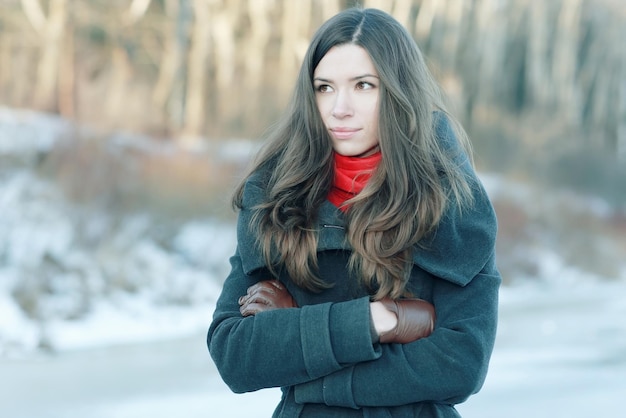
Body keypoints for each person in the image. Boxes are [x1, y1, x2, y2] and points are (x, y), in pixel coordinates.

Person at [208, 7, 500, 417]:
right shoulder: (276, 194)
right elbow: (234, 354)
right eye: (324, 87)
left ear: (399, 91)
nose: (339, 108)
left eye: (364, 86)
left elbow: (459, 364)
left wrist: (306, 358)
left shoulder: (452, 198)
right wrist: (381, 320)